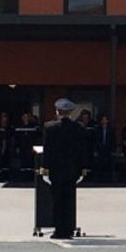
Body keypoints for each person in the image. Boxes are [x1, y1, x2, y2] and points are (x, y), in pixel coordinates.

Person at [40, 99, 88, 239]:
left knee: (57, 201)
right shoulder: (78, 128)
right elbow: (82, 150)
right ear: (70, 113)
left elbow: (47, 150)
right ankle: (68, 229)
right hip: (72, 171)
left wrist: (45, 168)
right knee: (69, 201)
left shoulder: (50, 127)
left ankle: (59, 230)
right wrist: (83, 168)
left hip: (56, 170)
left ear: (57, 112)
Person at [95, 115, 115, 183]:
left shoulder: (111, 129)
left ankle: (108, 179)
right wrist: (96, 150)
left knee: (109, 164)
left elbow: (113, 140)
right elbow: (96, 140)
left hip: (108, 149)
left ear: (107, 121)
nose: (104, 121)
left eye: (105, 119)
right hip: (100, 149)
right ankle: (99, 179)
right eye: (103, 120)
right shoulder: (98, 129)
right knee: (99, 164)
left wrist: (113, 150)